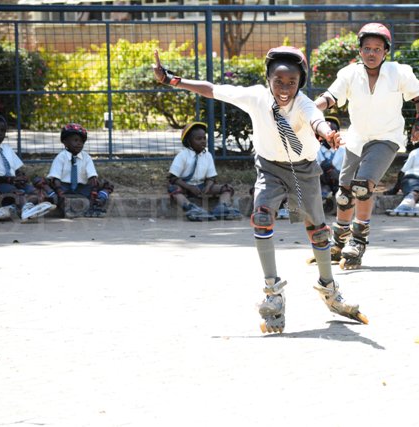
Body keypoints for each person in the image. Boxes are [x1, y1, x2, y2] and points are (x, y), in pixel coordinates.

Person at [153, 46, 368, 333]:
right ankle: (273, 293)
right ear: (268, 79)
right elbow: (212, 89)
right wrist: (173, 80)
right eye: (278, 81)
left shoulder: (304, 103)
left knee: (317, 230)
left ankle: (329, 288)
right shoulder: (256, 97)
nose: (284, 88)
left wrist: (327, 133)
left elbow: (316, 119)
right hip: (270, 168)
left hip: (303, 171)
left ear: (300, 83)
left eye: (292, 82)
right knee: (262, 217)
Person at [315, 22, 419, 269]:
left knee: (362, 187)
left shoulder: (399, 72)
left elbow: (418, 94)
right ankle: (338, 243)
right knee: (344, 194)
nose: (372, 53)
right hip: (356, 139)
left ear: (386, 51)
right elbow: (331, 97)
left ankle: (358, 242)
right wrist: (312, 109)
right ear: (360, 51)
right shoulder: (349, 74)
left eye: (377, 49)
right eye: (367, 48)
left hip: (387, 137)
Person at [167, 121, 241, 221]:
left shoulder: (208, 155)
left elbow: (211, 177)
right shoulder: (182, 155)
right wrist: (189, 187)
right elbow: (172, 177)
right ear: (189, 141)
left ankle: (222, 207)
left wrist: (208, 186)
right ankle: (191, 208)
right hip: (185, 186)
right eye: (198, 139)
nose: (202, 141)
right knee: (173, 189)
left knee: (227, 188)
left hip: (201, 187)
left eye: (204, 138)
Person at [0, 112, 57, 222]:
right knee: (17, 192)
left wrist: (21, 176)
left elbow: (16, 169)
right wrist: (10, 179)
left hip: (12, 182)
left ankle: (21, 208)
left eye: (2, 131)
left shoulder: (7, 149)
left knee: (33, 191)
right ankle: (26, 211)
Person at [46, 123, 114, 218]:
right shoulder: (61, 157)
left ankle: (98, 203)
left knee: (107, 185)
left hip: (81, 188)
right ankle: (56, 202)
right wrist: (59, 192)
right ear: (65, 142)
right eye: (75, 140)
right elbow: (55, 177)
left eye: (81, 141)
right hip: (64, 187)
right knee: (44, 184)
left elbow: (92, 176)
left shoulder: (86, 157)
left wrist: (94, 192)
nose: (79, 143)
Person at [316, 115, 346, 214]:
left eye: (333, 132)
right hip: (320, 183)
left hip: (338, 183)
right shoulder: (315, 151)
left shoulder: (343, 151)